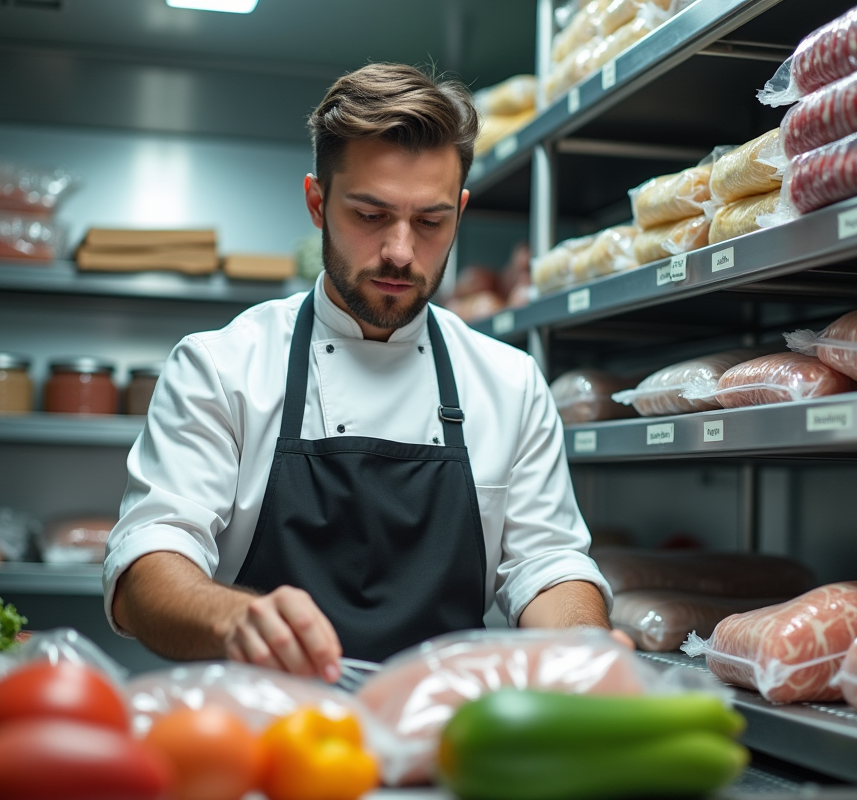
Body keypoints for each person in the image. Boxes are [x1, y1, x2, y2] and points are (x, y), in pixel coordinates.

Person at [105, 63, 624, 684]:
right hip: (266, 734)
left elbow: (546, 565)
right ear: (317, 203)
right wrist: (230, 621)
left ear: (459, 211)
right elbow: (150, 559)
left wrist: (583, 650)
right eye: (371, 215)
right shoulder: (222, 365)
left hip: (439, 735)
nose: (401, 251)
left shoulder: (509, 383)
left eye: (430, 222)